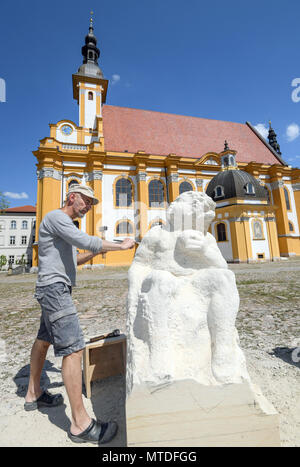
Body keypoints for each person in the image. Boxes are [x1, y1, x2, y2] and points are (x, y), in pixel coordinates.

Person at [24, 184, 135, 444]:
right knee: (73, 349)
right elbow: (87, 240)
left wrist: (100, 250)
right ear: (72, 196)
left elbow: (76, 257)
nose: (88, 206)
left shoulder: (65, 227)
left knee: (44, 340)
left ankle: (33, 393)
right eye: (86, 201)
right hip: (55, 291)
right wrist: (121, 245)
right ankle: (80, 424)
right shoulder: (57, 217)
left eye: (92, 204)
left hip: (52, 289)